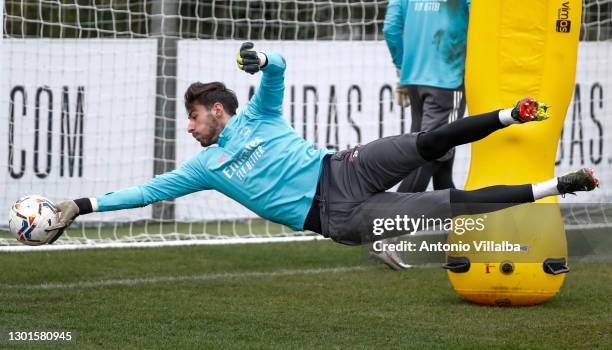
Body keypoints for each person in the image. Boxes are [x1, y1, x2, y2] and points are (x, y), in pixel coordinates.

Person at [46, 43, 599, 248]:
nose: (189, 129)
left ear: (218, 110)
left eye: (193, 118)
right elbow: (144, 190)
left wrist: (261, 60)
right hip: (339, 217)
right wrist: (82, 205)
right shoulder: (205, 168)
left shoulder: (259, 112)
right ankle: (560, 186)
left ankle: (511, 113)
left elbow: (280, 66)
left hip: (344, 167)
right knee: (453, 208)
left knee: (428, 143)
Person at [383, 0, 470, 192]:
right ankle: (393, 216)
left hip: (415, 77)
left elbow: (390, 28)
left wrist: (401, 65)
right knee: (431, 150)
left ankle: (452, 218)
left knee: (438, 153)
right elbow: (482, 24)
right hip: (448, 78)